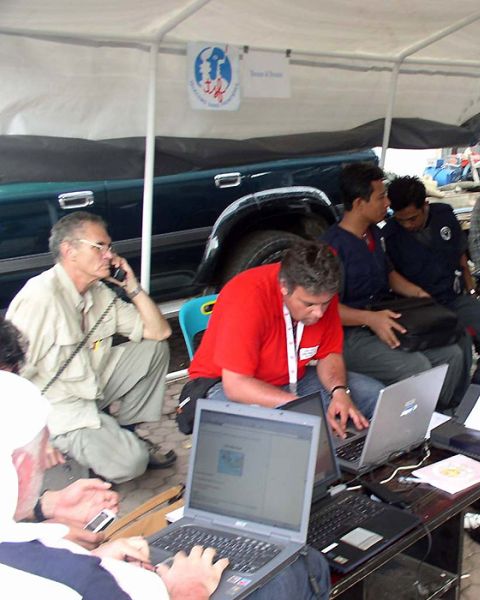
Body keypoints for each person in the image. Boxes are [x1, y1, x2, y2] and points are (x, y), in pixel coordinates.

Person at [0, 370, 330, 599]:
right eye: (42, 454)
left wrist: (96, 554)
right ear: (20, 467)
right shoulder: (73, 579)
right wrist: (187, 591)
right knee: (304, 565)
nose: (49, 463)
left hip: (119, 571)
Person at [6, 212, 175, 483]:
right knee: (132, 463)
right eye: (99, 247)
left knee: (154, 350)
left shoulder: (99, 292)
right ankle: (77, 451)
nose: (109, 255)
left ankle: (127, 434)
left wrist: (131, 286)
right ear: (69, 251)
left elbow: (160, 332)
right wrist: (34, 435)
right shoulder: (39, 297)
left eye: (110, 247)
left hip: (91, 387)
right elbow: (8, 380)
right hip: (59, 409)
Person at [188, 239, 381, 437]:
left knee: (373, 395)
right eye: (309, 305)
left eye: (325, 304)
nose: (319, 313)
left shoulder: (320, 292)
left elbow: (329, 354)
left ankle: (365, 453)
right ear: (284, 287)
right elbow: (236, 386)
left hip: (290, 378)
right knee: (273, 434)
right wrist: (302, 409)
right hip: (225, 384)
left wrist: (339, 391)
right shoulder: (247, 298)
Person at [322, 163, 468, 409]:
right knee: (417, 367)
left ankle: (441, 415)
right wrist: (369, 319)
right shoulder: (331, 247)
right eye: (381, 197)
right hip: (347, 336)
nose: (387, 203)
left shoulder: (374, 234)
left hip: (384, 319)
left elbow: (389, 274)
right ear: (359, 203)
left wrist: (420, 295)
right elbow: (325, 308)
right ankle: (418, 422)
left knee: (452, 355)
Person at [384, 176, 480, 385]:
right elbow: (391, 279)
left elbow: (460, 255)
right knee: (459, 340)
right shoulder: (390, 235)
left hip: (452, 297)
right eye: (401, 220)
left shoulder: (443, 215)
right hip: (420, 308)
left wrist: (471, 290)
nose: (407, 225)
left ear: (425, 205)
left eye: (413, 218)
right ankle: (457, 398)